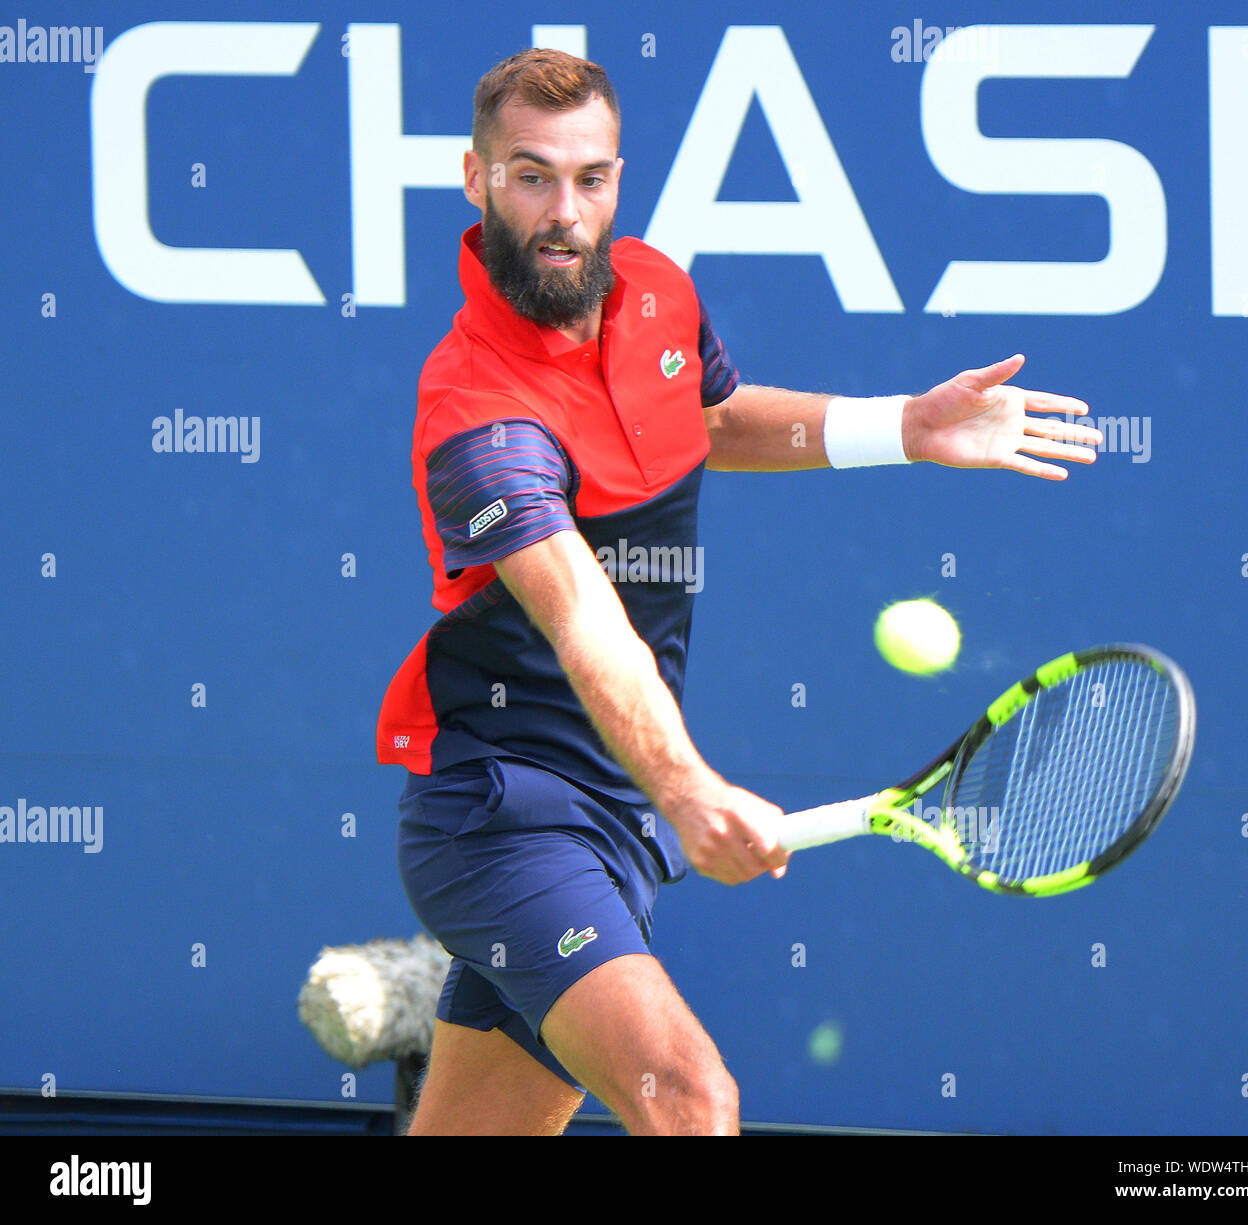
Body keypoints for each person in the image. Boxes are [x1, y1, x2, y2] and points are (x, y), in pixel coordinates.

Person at [377, 47, 1100, 1136]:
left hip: (606, 819)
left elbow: (708, 421)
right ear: (474, 181)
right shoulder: (481, 416)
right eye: (531, 176)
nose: (565, 212)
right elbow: (582, 617)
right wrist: (687, 791)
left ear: (619, 177)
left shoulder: (658, 291)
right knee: (689, 1099)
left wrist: (898, 425)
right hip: (503, 822)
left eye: (591, 179)